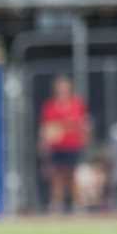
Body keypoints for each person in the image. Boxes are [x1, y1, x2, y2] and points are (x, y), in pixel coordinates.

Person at [39, 75, 90, 214]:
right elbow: (46, 128)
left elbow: (82, 124)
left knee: (72, 175)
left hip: (72, 145)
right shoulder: (50, 106)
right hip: (57, 147)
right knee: (57, 176)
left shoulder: (76, 104)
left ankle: (77, 203)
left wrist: (82, 136)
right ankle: (57, 203)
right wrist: (44, 144)